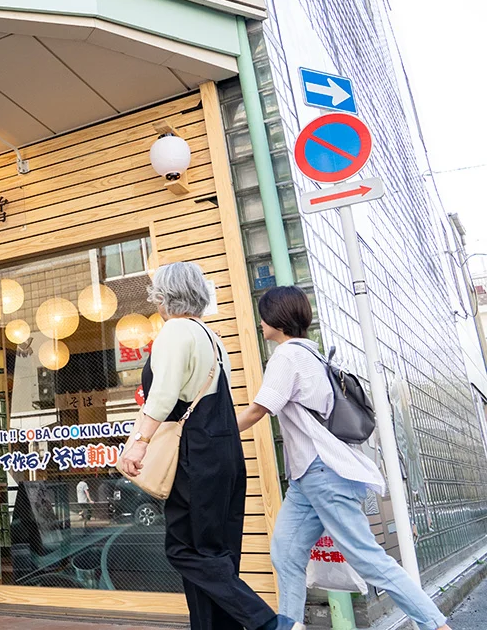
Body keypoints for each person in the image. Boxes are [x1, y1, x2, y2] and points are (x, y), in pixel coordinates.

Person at [237, 286, 451, 630]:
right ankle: (290, 626)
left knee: (368, 558)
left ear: (277, 318)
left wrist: (213, 434)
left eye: (264, 314)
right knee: (286, 553)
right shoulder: (315, 355)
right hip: (308, 478)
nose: (260, 322)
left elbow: (260, 409)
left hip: (323, 474)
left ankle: (436, 624)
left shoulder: (287, 356)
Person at [118, 262, 291, 630]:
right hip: (224, 450)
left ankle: (269, 623)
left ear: (163, 298)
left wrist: (139, 443)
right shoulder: (212, 338)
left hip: (194, 453)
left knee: (185, 550)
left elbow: (163, 395)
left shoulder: (174, 332)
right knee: (216, 554)